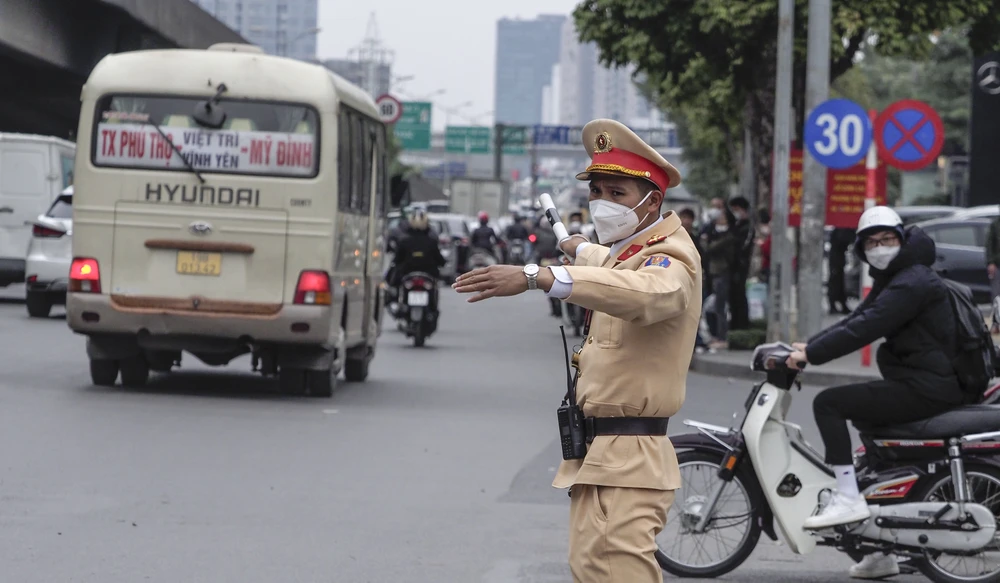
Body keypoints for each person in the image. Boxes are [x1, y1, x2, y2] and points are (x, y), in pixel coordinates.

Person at [453, 118, 701, 583]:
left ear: (653, 200)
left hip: (631, 456)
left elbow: (645, 291)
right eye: (597, 192)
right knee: (591, 569)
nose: (604, 203)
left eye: (618, 193)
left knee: (616, 571)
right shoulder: (626, 253)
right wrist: (576, 247)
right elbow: (606, 262)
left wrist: (536, 275)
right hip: (601, 453)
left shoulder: (671, 257)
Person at [785, 206, 963, 580]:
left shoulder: (912, 281)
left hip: (930, 386)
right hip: (923, 380)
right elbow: (857, 317)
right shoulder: (897, 275)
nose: (880, 247)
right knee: (872, 438)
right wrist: (808, 347)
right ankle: (882, 552)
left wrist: (811, 355)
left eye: (887, 240)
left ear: (901, 239)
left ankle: (847, 497)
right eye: (872, 242)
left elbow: (868, 327)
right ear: (862, 249)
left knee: (829, 403)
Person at [389, 209, 446, 309]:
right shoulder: (431, 241)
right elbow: (439, 259)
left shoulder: (404, 241)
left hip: (409, 273)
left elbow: (397, 259)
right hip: (424, 274)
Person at [702, 204, 735, 348]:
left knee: (720, 307)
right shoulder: (716, 233)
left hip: (722, 272)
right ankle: (718, 335)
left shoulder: (728, 236)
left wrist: (705, 240)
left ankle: (722, 337)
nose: (718, 220)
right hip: (715, 273)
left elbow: (711, 248)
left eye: (721, 217)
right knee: (716, 306)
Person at [728, 197, 753, 330]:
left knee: (740, 297)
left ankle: (742, 326)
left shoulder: (747, 227)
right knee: (734, 299)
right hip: (733, 267)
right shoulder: (736, 225)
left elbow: (742, 247)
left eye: (736, 210)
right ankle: (735, 325)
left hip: (741, 267)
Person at [828, 227, 855, 315]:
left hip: (838, 256)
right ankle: (834, 305)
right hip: (836, 257)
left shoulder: (840, 229)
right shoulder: (841, 229)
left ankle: (840, 304)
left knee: (838, 281)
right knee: (835, 281)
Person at [986, 211, 1000, 302]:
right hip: (998, 264)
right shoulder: (995, 225)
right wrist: (991, 262)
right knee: (996, 294)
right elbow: (989, 245)